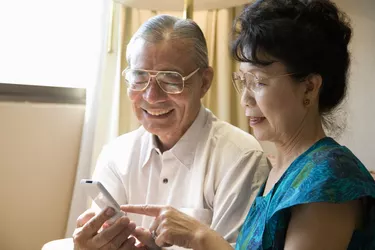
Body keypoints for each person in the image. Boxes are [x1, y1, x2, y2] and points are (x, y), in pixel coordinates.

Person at [121, 0, 375, 249]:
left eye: (259, 82)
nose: (245, 99)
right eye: (243, 81)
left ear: (309, 87)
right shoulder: (281, 171)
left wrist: (200, 237)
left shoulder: (329, 178)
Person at [72, 14, 270, 250]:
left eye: (171, 80)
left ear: (204, 82)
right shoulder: (116, 155)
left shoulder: (241, 158)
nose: (151, 96)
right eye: (139, 77)